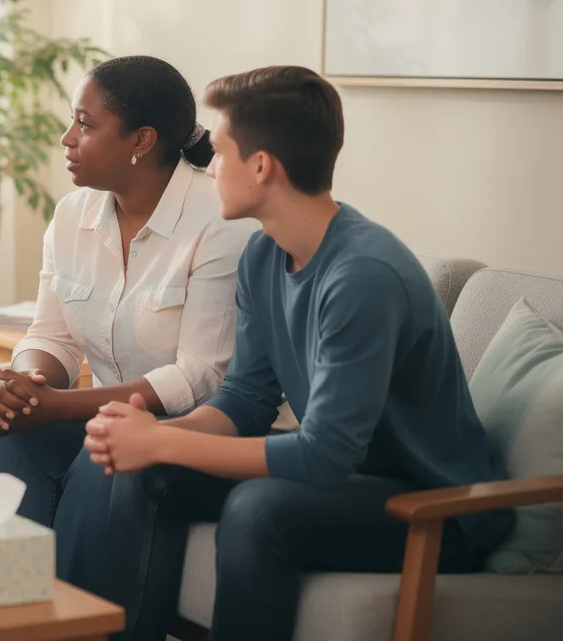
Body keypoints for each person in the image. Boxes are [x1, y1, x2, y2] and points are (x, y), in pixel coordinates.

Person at [80, 65, 513, 641]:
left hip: (437, 506)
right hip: (351, 478)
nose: (207, 165)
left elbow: (326, 456)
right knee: (147, 474)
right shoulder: (263, 256)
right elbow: (246, 401)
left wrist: (164, 436)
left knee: (258, 512)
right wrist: (152, 436)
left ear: (262, 167)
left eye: (221, 150)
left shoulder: (362, 275)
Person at [0, 55, 257, 526]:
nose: (67, 139)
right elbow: (51, 336)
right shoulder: (71, 215)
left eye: (85, 124)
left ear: (141, 140)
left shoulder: (218, 223)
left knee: (103, 452)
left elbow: (199, 377)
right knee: (9, 432)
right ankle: (2, 593)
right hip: (106, 418)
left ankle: (78, 600)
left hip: (193, 431)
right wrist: (27, 385)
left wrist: (61, 406)